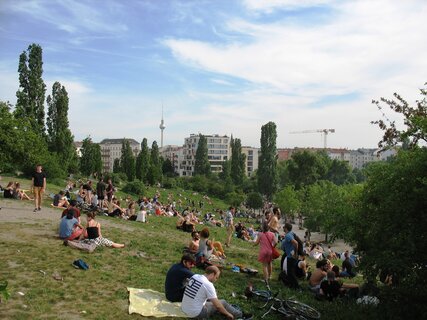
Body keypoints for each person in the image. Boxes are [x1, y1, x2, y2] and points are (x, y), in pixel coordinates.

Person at [181, 266, 249, 320]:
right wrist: (228, 314)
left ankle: (227, 312)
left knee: (214, 302)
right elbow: (218, 306)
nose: (216, 280)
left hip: (184, 308)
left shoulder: (195, 276)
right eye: (216, 277)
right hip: (195, 313)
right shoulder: (208, 284)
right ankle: (240, 315)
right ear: (213, 274)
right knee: (223, 302)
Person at [254, 222, 277, 288]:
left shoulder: (260, 234)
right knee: (270, 263)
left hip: (263, 252)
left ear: (263, 228)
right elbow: (276, 242)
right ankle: (270, 276)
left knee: (264, 265)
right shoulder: (272, 234)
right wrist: (273, 247)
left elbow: (257, 242)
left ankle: (266, 279)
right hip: (270, 251)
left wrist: (253, 244)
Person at [281, 223, 300, 289]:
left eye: (284, 227)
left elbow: (296, 243)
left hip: (291, 256)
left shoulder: (288, 235)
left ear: (286, 228)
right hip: (291, 255)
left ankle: (296, 287)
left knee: (290, 272)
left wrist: (295, 253)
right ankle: (292, 285)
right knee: (291, 272)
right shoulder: (291, 233)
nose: (283, 228)